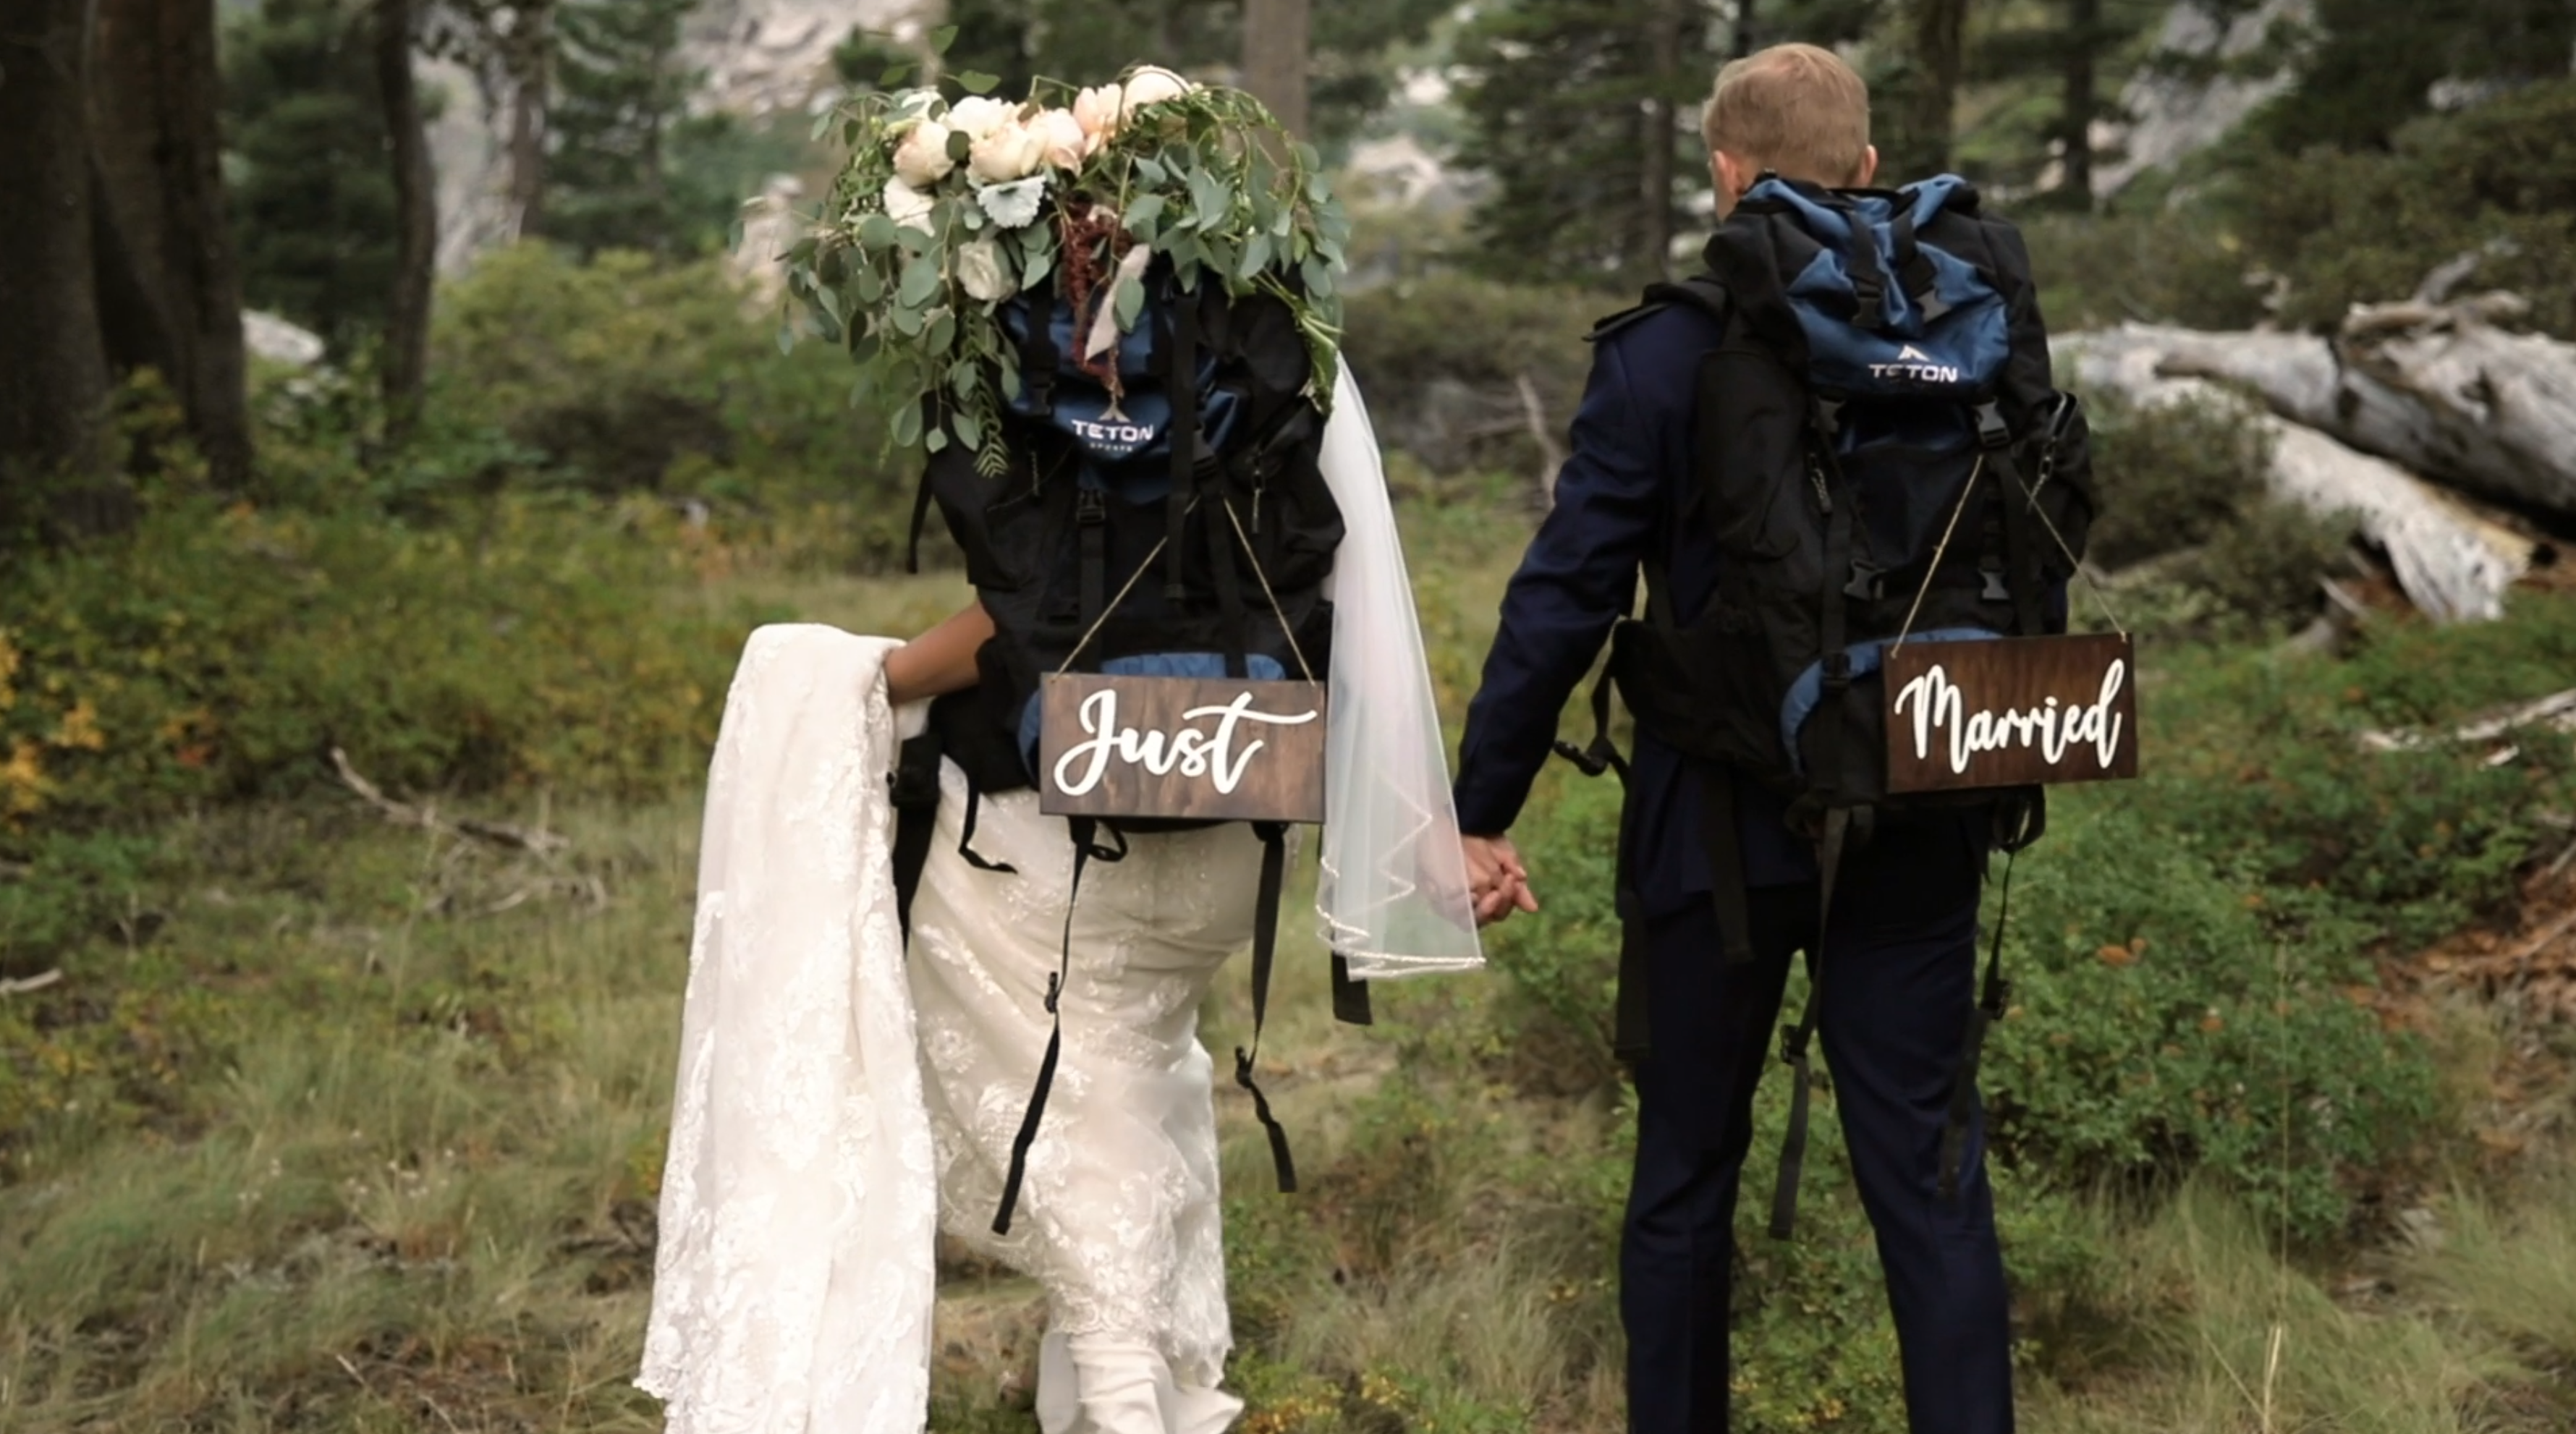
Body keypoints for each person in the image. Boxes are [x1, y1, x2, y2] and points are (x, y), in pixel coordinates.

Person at [640, 367, 1483, 1434]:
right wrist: (1422, 823)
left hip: (1083, 832)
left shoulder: (1081, 406)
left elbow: (1026, 617)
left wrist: (876, 678)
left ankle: (1127, 1403)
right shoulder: (1271, 399)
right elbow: (1347, 613)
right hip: (1239, 816)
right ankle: (1106, 1398)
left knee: (1086, 1098)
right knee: (1130, 1065)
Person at [1451, 44, 2022, 1434]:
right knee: (1932, 1182)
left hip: (1718, 831)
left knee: (1686, 1178)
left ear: (1726, 173)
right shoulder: (1969, 326)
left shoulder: (1662, 352)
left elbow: (1568, 593)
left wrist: (1479, 802)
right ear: (1869, 169)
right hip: (1920, 795)